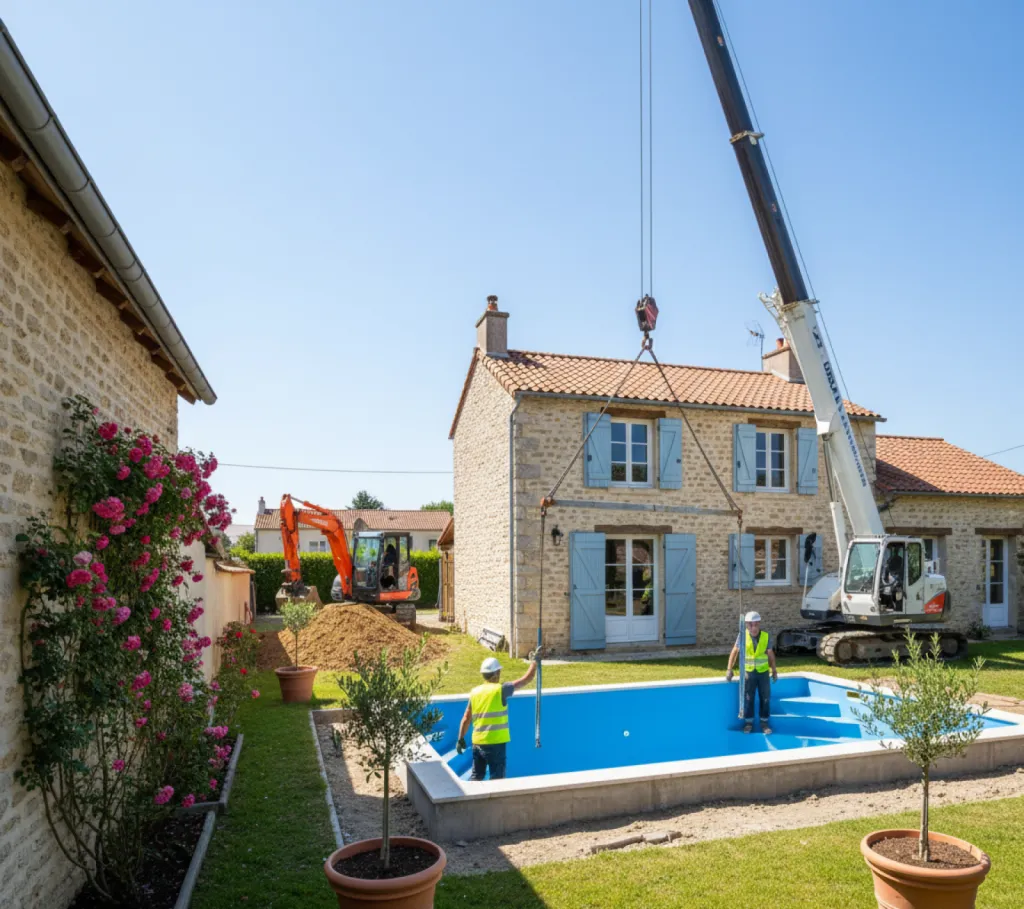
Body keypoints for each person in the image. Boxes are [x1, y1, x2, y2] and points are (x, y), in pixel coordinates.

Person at [456, 651, 541, 781]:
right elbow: (527, 679)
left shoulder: (475, 692)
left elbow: (466, 718)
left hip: (477, 742)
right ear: (496, 674)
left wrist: (460, 738)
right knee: (497, 779)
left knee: (476, 776)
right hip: (495, 744)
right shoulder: (501, 689)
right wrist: (534, 661)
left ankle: (469, 801)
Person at [725, 611, 778, 734]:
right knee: (748, 698)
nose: (753, 628)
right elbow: (735, 651)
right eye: (750, 625)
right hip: (749, 673)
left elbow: (770, 654)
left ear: (759, 624)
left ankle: (764, 723)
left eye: (756, 625)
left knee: (765, 698)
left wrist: (774, 670)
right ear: (746, 625)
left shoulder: (765, 636)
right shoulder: (742, 636)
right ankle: (748, 723)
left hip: (763, 673)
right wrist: (729, 669)